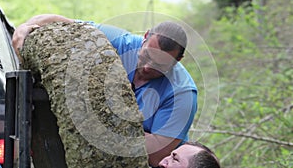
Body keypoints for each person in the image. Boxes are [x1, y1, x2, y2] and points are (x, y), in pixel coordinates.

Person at [12, 14, 198, 167]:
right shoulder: (121, 42)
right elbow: (64, 24)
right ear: (145, 37)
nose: (149, 67)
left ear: (177, 61)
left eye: (160, 65)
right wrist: (26, 26)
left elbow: (157, 156)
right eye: (147, 56)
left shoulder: (183, 94)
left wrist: (106, 121)